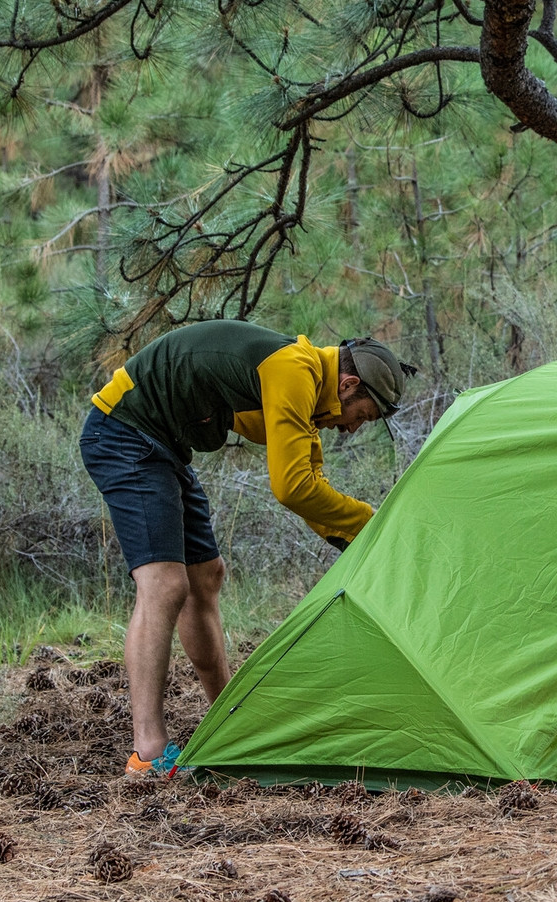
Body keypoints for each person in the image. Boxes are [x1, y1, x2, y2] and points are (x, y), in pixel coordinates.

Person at [78, 320, 411, 776]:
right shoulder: (295, 370)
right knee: (164, 584)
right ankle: (148, 752)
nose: (352, 429)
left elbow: (312, 491)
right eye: (362, 416)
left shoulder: (308, 394)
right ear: (348, 384)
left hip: (164, 447)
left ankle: (229, 717)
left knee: (206, 576)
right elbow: (291, 487)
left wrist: (363, 543)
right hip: (123, 433)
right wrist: (374, 522)